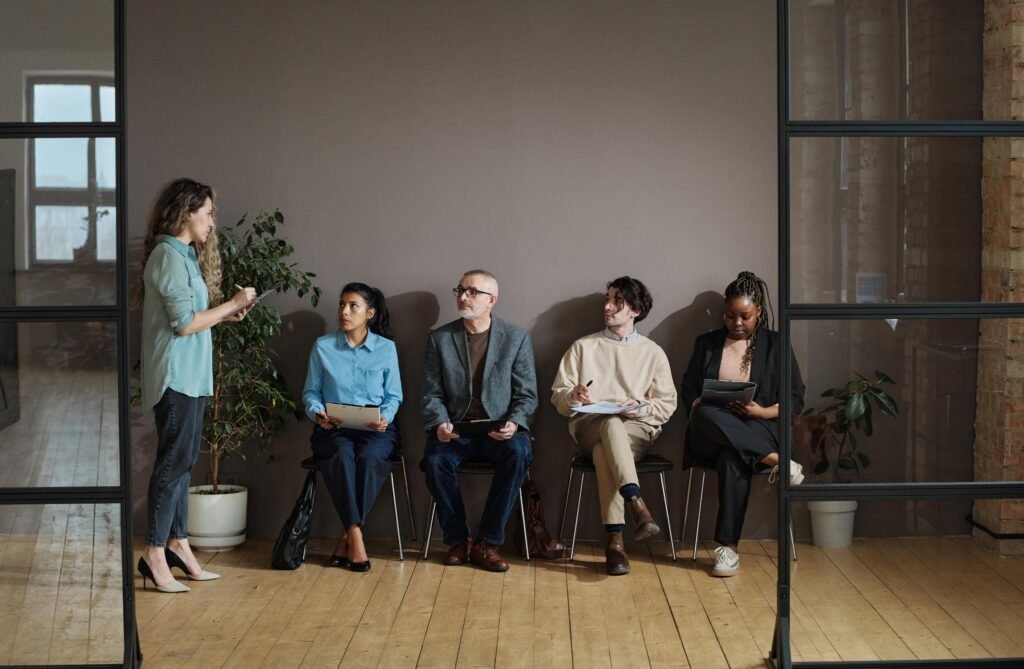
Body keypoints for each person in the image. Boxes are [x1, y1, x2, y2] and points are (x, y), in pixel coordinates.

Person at [138, 178, 256, 592]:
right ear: (187, 212)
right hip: (175, 377)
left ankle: (178, 544)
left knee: (183, 464)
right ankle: (154, 552)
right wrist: (231, 304)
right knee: (172, 465)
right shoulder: (167, 256)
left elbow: (195, 317)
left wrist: (225, 315)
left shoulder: (185, 255)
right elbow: (184, 324)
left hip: (192, 376)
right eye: (207, 213)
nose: (211, 222)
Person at [680, 271, 805, 577]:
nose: (737, 323)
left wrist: (760, 413)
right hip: (708, 432)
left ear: (759, 312)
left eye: (745, 316)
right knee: (704, 412)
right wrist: (704, 402)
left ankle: (728, 550)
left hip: (758, 429)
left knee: (732, 455)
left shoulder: (776, 345)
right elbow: (689, 392)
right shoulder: (706, 344)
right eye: (730, 316)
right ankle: (778, 462)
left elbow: (796, 399)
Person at [551, 276, 677, 575]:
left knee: (603, 449)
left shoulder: (653, 353)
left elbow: (667, 404)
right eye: (607, 300)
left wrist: (640, 408)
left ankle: (615, 540)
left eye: (616, 301)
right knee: (608, 425)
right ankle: (636, 502)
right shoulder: (584, 347)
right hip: (588, 425)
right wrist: (573, 396)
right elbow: (558, 398)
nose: (607, 306)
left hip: (636, 430)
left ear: (635, 309)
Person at [420, 270, 537, 572]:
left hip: (499, 432)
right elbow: (430, 394)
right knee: (434, 461)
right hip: (456, 432)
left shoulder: (515, 338)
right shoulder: (441, 339)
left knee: (519, 453)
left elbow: (527, 395)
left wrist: (514, 423)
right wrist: (440, 425)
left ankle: (487, 543)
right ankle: (459, 540)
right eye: (460, 290)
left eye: (472, 292)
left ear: (492, 300)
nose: (463, 296)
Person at [301, 283, 402, 572]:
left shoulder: (386, 349)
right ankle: (356, 535)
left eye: (353, 306)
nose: (344, 311)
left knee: (371, 458)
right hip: (333, 428)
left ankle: (347, 534)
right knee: (340, 454)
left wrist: (385, 417)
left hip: (377, 428)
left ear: (369, 313)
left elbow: (393, 395)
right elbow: (311, 392)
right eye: (341, 304)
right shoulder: (323, 347)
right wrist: (318, 413)